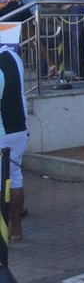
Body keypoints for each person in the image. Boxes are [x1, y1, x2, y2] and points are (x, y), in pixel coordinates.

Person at [0, 46, 29, 241]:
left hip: (2, 132)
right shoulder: (13, 57)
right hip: (19, 129)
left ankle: (4, 227)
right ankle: (16, 230)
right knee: (15, 178)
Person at [12, 0, 55, 77]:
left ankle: (46, 67)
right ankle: (49, 64)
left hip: (35, 17)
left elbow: (39, 0)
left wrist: (55, 5)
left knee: (35, 42)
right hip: (26, 17)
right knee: (33, 41)